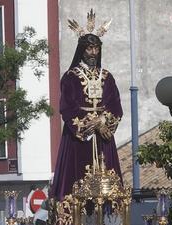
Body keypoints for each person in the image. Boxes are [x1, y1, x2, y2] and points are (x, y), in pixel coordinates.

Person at [51, 9, 122, 200]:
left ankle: (109, 222)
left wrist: (103, 120)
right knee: (76, 177)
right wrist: (88, 124)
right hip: (79, 138)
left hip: (103, 135)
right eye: (89, 49)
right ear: (82, 50)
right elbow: (67, 106)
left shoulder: (107, 77)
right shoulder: (70, 76)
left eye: (96, 49)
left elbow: (115, 104)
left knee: (107, 179)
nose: (93, 52)